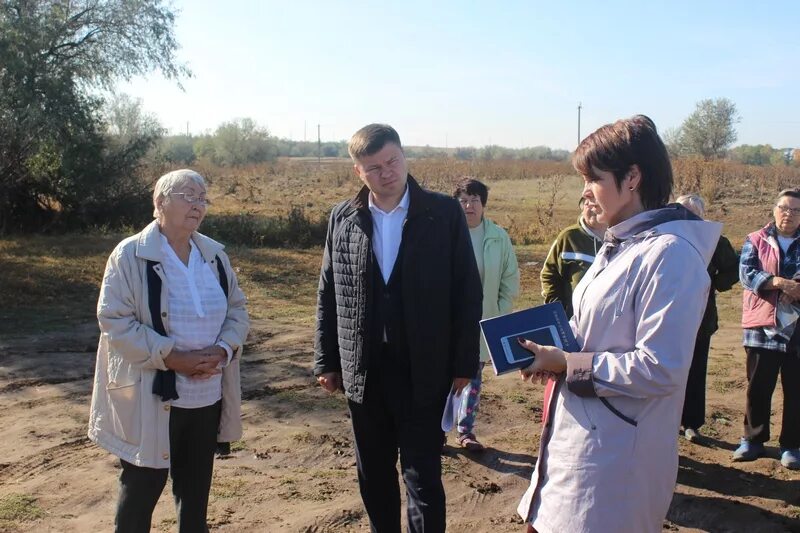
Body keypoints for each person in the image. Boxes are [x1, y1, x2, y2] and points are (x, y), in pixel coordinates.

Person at [515, 115, 721, 533]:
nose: (585, 191)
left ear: (632, 178)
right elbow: (594, 331)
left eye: (593, 178)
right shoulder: (621, 246)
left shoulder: (671, 257)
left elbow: (660, 366)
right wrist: (550, 351)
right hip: (581, 442)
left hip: (615, 459)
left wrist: (568, 364)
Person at [314, 124, 482, 532]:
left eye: (392, 161)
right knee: (373, 474)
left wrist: (464, 363)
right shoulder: (344, 217)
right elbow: (328, 290)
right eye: (373, 167)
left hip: (424, 370)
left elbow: (467, 291)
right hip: (365, 370)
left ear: (404, 157)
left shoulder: (442, 214)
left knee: (423, 476)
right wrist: (327, 360)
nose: (386, 172)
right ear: (358, 172)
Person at [88, 169, 250, 533]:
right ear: (160, 202)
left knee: (195, 496)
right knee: (142, 489)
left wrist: (223, 350)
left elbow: (238, 309)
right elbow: (114, 321)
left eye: (203, 198)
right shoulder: (129, 255)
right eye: (189, 196)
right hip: (152, 397)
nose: (198, 205)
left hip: (206, 397)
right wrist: (174, 358)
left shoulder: (213, 255)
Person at [732, 187, 800, 469]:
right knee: (758, 385)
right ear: (774, 210)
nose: (789, 214)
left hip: (797, 328)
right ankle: (753, 439)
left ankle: (792, 445)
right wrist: (779, 283)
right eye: (784, 208)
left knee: (796, 389)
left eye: (796, 210)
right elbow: (746, 273)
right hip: (763, 325)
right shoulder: (755, 239)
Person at [451, 177, 520, 451]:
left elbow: (509, 278)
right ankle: (435, 430)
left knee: (473, 377)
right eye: (463, 201)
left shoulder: (497, 237)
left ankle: (465, 431)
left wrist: (499, 314)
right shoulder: (447, 233)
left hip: (483, 321)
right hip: (449, 322)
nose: (469, 206)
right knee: (442, 378)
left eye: (474, 200)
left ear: (484, 204)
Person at [674, 194, 739, 443]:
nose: (688, 218)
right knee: (663, 370)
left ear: (702, 216)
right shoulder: (665, 237)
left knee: (696, 370)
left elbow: (733, 271)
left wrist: (712, 282)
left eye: (693, 214)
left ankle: (691, 423)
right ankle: (665, 420)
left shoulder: (715, 241)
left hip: (701, 318)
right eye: (682, 212)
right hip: (666, 319)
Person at [541, 197, 606, 317]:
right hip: (575, 320)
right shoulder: (568, 238)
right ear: (582, 208)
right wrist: (558, 311)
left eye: (598, 204)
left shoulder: (621, 237)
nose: (593, 209)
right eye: (588, 204)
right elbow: (550, 275)